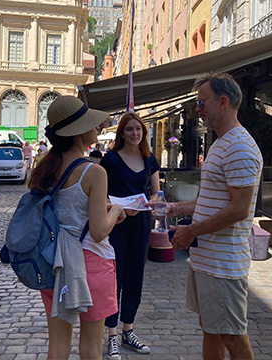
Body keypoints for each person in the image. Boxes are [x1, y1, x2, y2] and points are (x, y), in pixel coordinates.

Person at [164, 73, 262, 360]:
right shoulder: (221, 143)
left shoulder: (240, 147)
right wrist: (178, 209)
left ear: (222, 102)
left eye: (201, 103)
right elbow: (212, 200)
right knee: (211, 328)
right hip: (209, 260)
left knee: (231, 334)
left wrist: (192, 231)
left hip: (224, 263)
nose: (198, 109)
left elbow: (239, 209)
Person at [28, 96, 126, 359]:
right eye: (92, 123)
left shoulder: (43, 168)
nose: (98, 127)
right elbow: (98, 232)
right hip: (91, 265)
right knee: (91, 348)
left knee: (57, 346)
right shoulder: (93, 172)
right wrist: (116, 209)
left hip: (52, 262)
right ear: (79, 132)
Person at [100, 112, 160, 359]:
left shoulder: (149, 159)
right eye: (130, 130)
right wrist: (116, 208)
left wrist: (150, 203)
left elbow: (156, 193)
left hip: (141, 223)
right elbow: (100, 195)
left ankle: (129, 330)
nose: (135, 134)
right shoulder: (111, 160)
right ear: (121, 133)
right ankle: (112, 335)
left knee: (135, 275)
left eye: (139, 129)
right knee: (116, 276)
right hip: (116, 224)